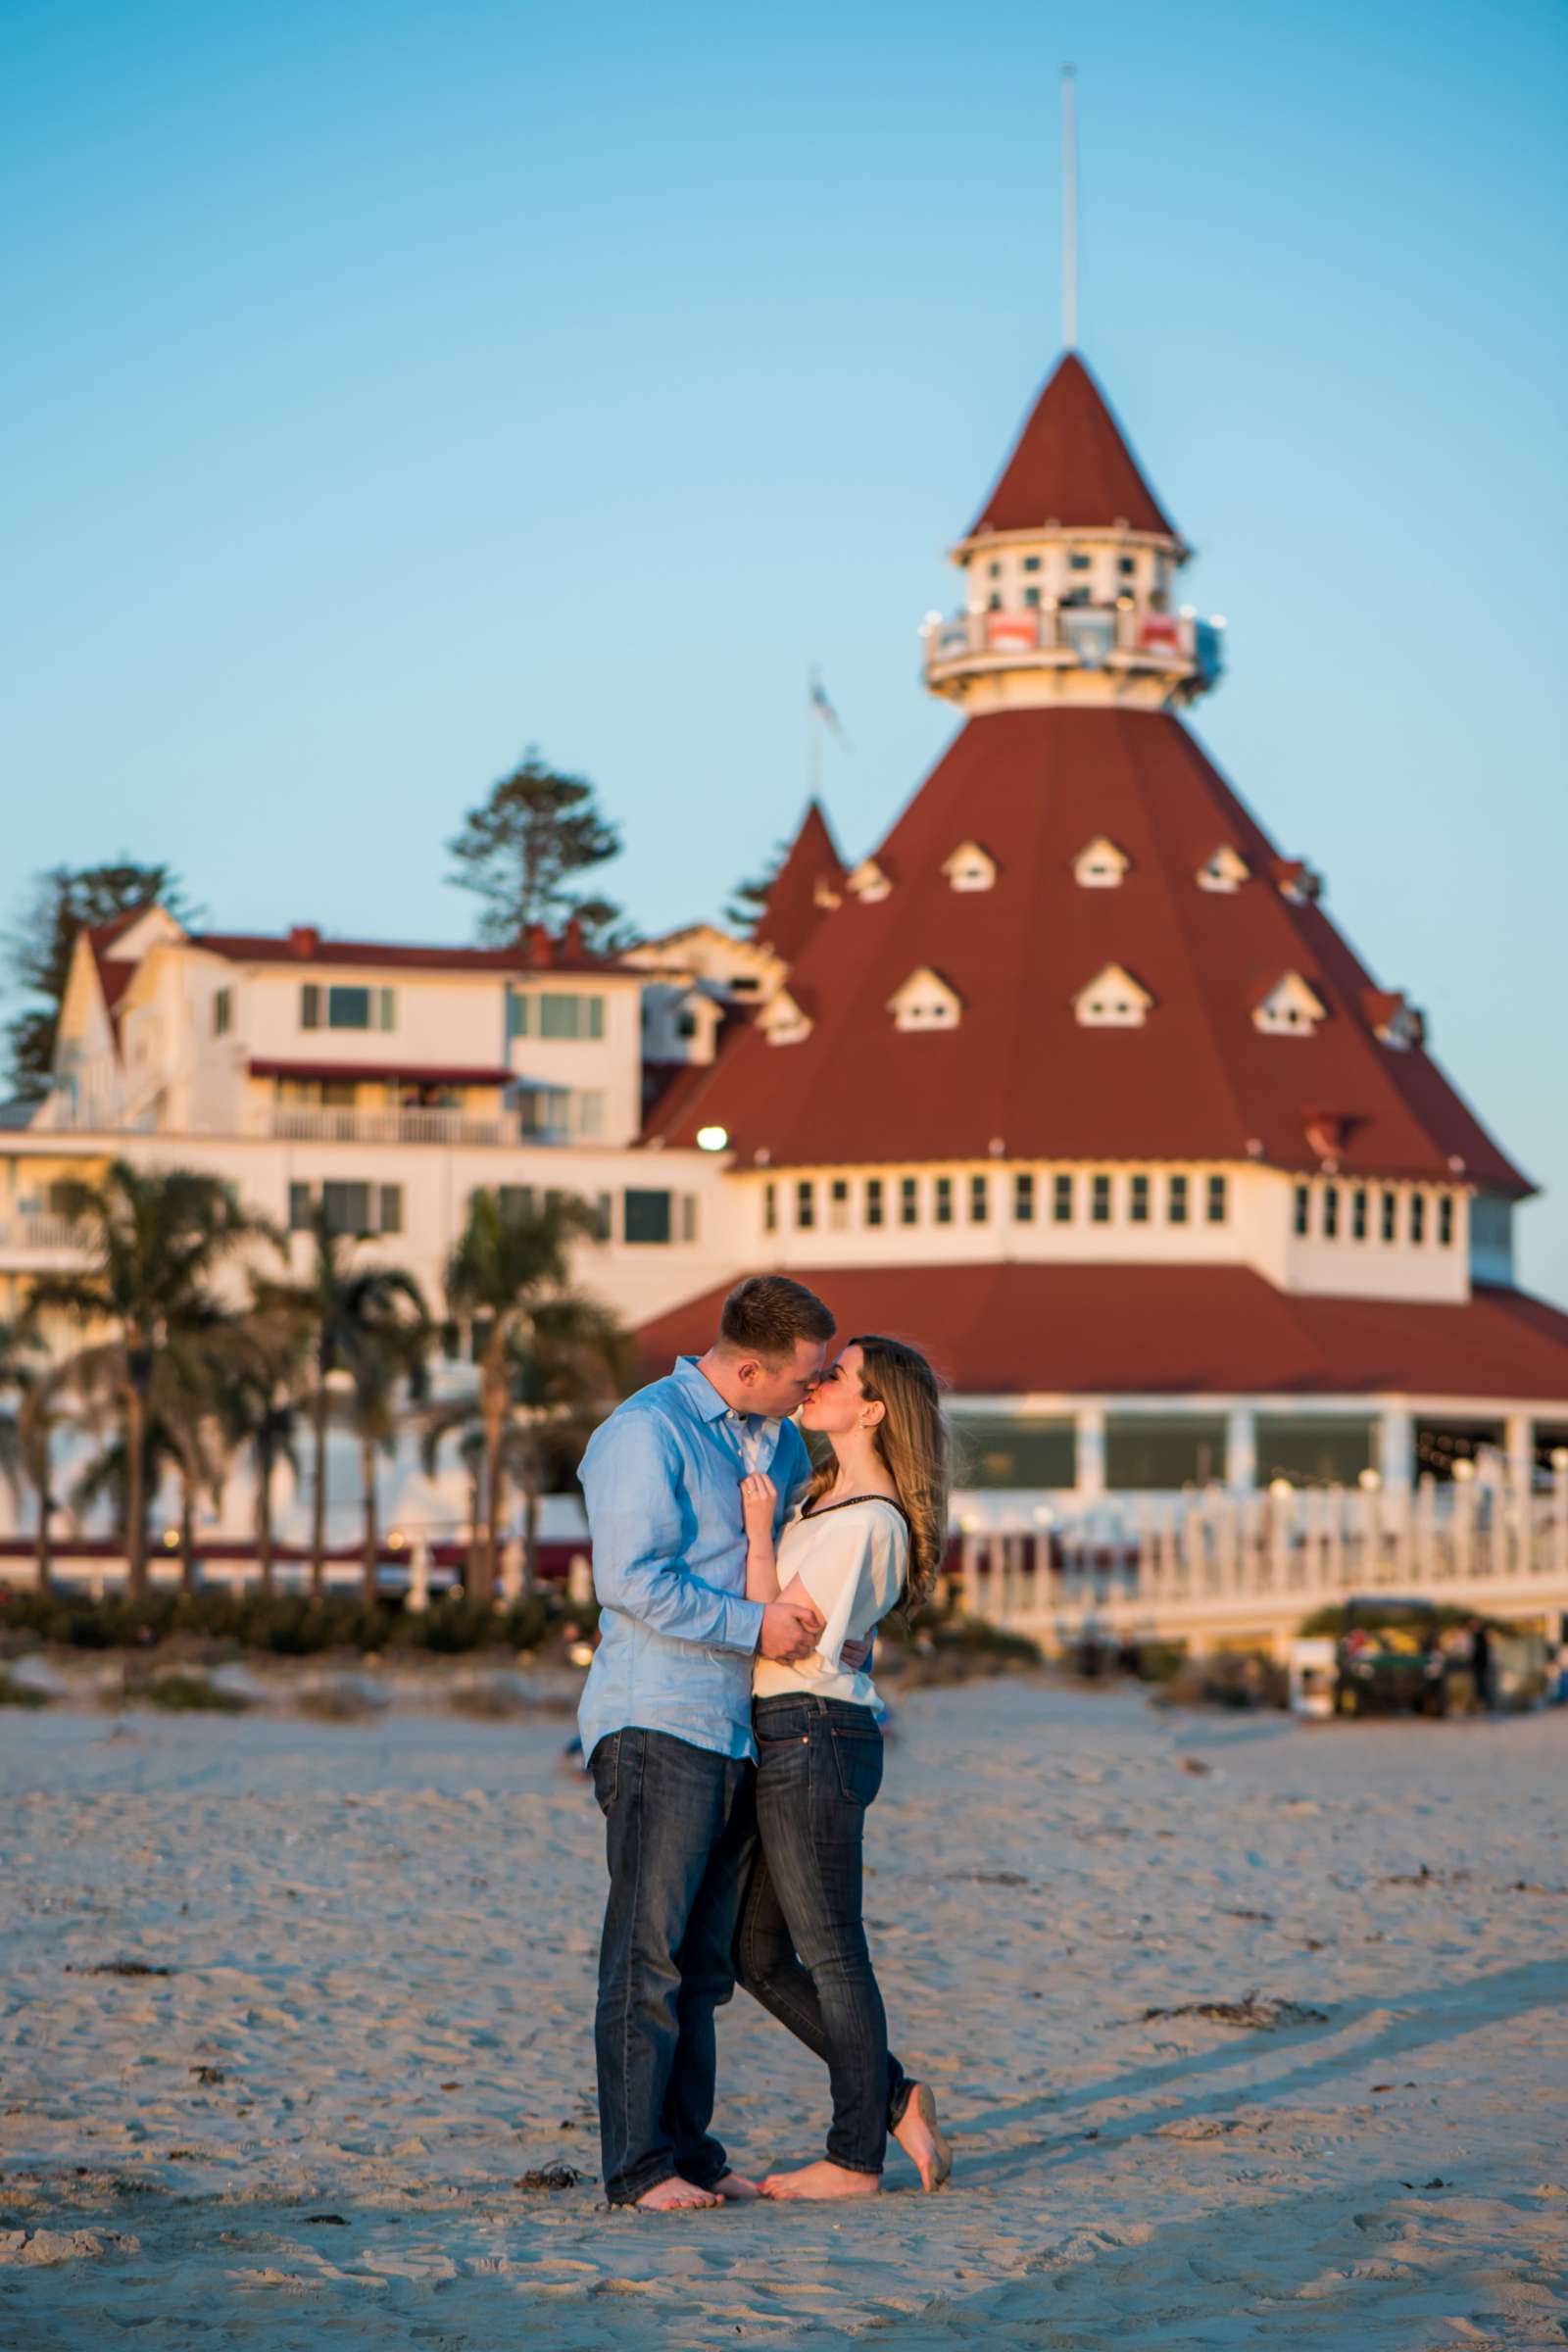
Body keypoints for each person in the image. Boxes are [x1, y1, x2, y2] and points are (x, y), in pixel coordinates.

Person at [577, 1274, 834, 2213]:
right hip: (657, 1719)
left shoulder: (780, 1436)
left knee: (704, 1967)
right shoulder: (645, 1433)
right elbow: (631, 1581)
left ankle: (688, 2151)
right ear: (752, 1365)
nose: (812, 1393)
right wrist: (753, 1628)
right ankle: (638, 2169)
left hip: (737, 1727)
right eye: (804, 1379)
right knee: (647, 1957)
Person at [735, 1335, 955, 2200]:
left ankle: (855, 2155)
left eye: (839, 1374)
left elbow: (781, 1629)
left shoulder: (866, 1519)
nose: (816, 1380)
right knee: (751, 1950)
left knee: (830, 1950)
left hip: (810, 1731)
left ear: (873, 1410)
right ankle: (894, 2097)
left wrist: (757, 1536)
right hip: (790, 1729)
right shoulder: (829, 1501)